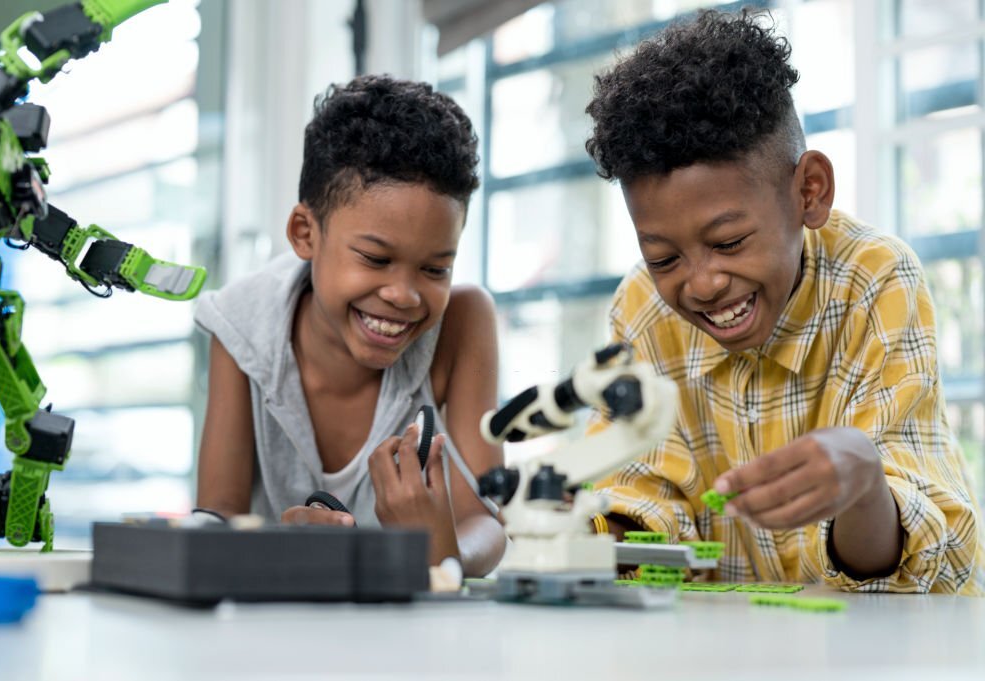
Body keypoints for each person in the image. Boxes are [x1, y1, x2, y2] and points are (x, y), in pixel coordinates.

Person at [583, 9, 984, 594]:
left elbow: (921, 566)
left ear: (809, 192)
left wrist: (865, 485)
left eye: (729, 243)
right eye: (664, 257)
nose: (700, 284)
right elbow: (643, 507)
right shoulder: (642, 309)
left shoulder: (873, 281)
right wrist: (582, 535)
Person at [194, 75, 505, 577]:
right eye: (375, 258)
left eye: (435, 269)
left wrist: (437, 557)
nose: (404, 295)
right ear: (304, 233)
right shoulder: (240, 326)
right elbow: (218, 518)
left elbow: (486, 519)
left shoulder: (463, 322)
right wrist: (279, 547)